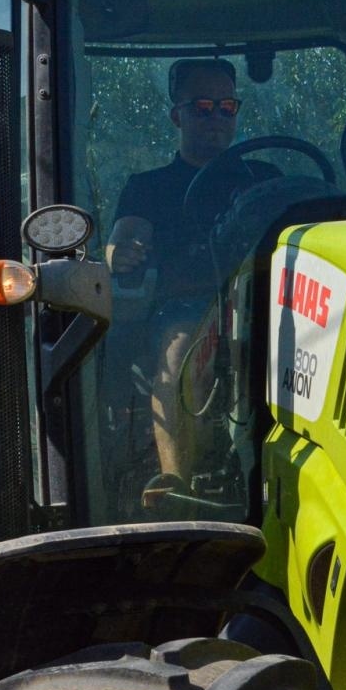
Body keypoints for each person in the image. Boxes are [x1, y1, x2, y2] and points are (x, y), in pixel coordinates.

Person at [105, 58, 276, 500]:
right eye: (202, 107)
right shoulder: (149, 186)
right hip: (189, 307)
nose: (216, 117)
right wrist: (118, 252)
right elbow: (125, 237)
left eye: (226, 107)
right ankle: (176, 483)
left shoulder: (266, 179)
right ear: (176, 115)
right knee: (179, 348)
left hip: (271, 301)